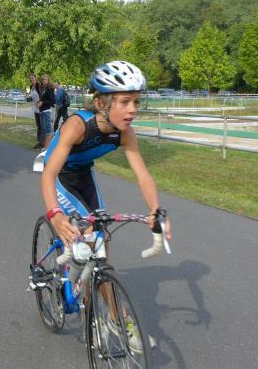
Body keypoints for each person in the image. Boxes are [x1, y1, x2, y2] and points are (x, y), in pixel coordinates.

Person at [40, 61, 172, 347]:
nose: (132, 109)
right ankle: (90, 298)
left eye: (136, 102)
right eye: (124, 102)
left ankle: (102, 307)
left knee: (101, 248)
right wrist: (55, 216)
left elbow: (142, 174)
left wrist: (155, 210)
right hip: (60, 175)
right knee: (88, 236)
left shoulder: (125, 132)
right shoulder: (78, 125)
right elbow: (48, 174)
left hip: (84, 174)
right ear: (101, 102)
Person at [37, 74, 55, 149]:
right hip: (41, 111)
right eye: (43, 79)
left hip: (47, 111)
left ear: (48, 80)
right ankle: (47, 145)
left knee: (48, 129)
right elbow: (42, 99)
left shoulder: (50, 89)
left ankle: (47, 147)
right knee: (44, 129)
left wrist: (42, 102)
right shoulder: (42, 88)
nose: (44, 81)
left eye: (45, 79)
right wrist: (39, 102)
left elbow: (52, 101)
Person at [28, 73, 43, 148]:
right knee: (38, 125)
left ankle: (41, 142)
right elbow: (33, 97)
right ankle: (39, 141)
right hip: (35, 108)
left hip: (41, 108)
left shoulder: (38, 85)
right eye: (30, 78)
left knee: (41, 125)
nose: (31, 79)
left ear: (35, 78)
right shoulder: (31, 86)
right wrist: (28, 98)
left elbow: (42, 96)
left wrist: (39, 102)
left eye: (32, 78)